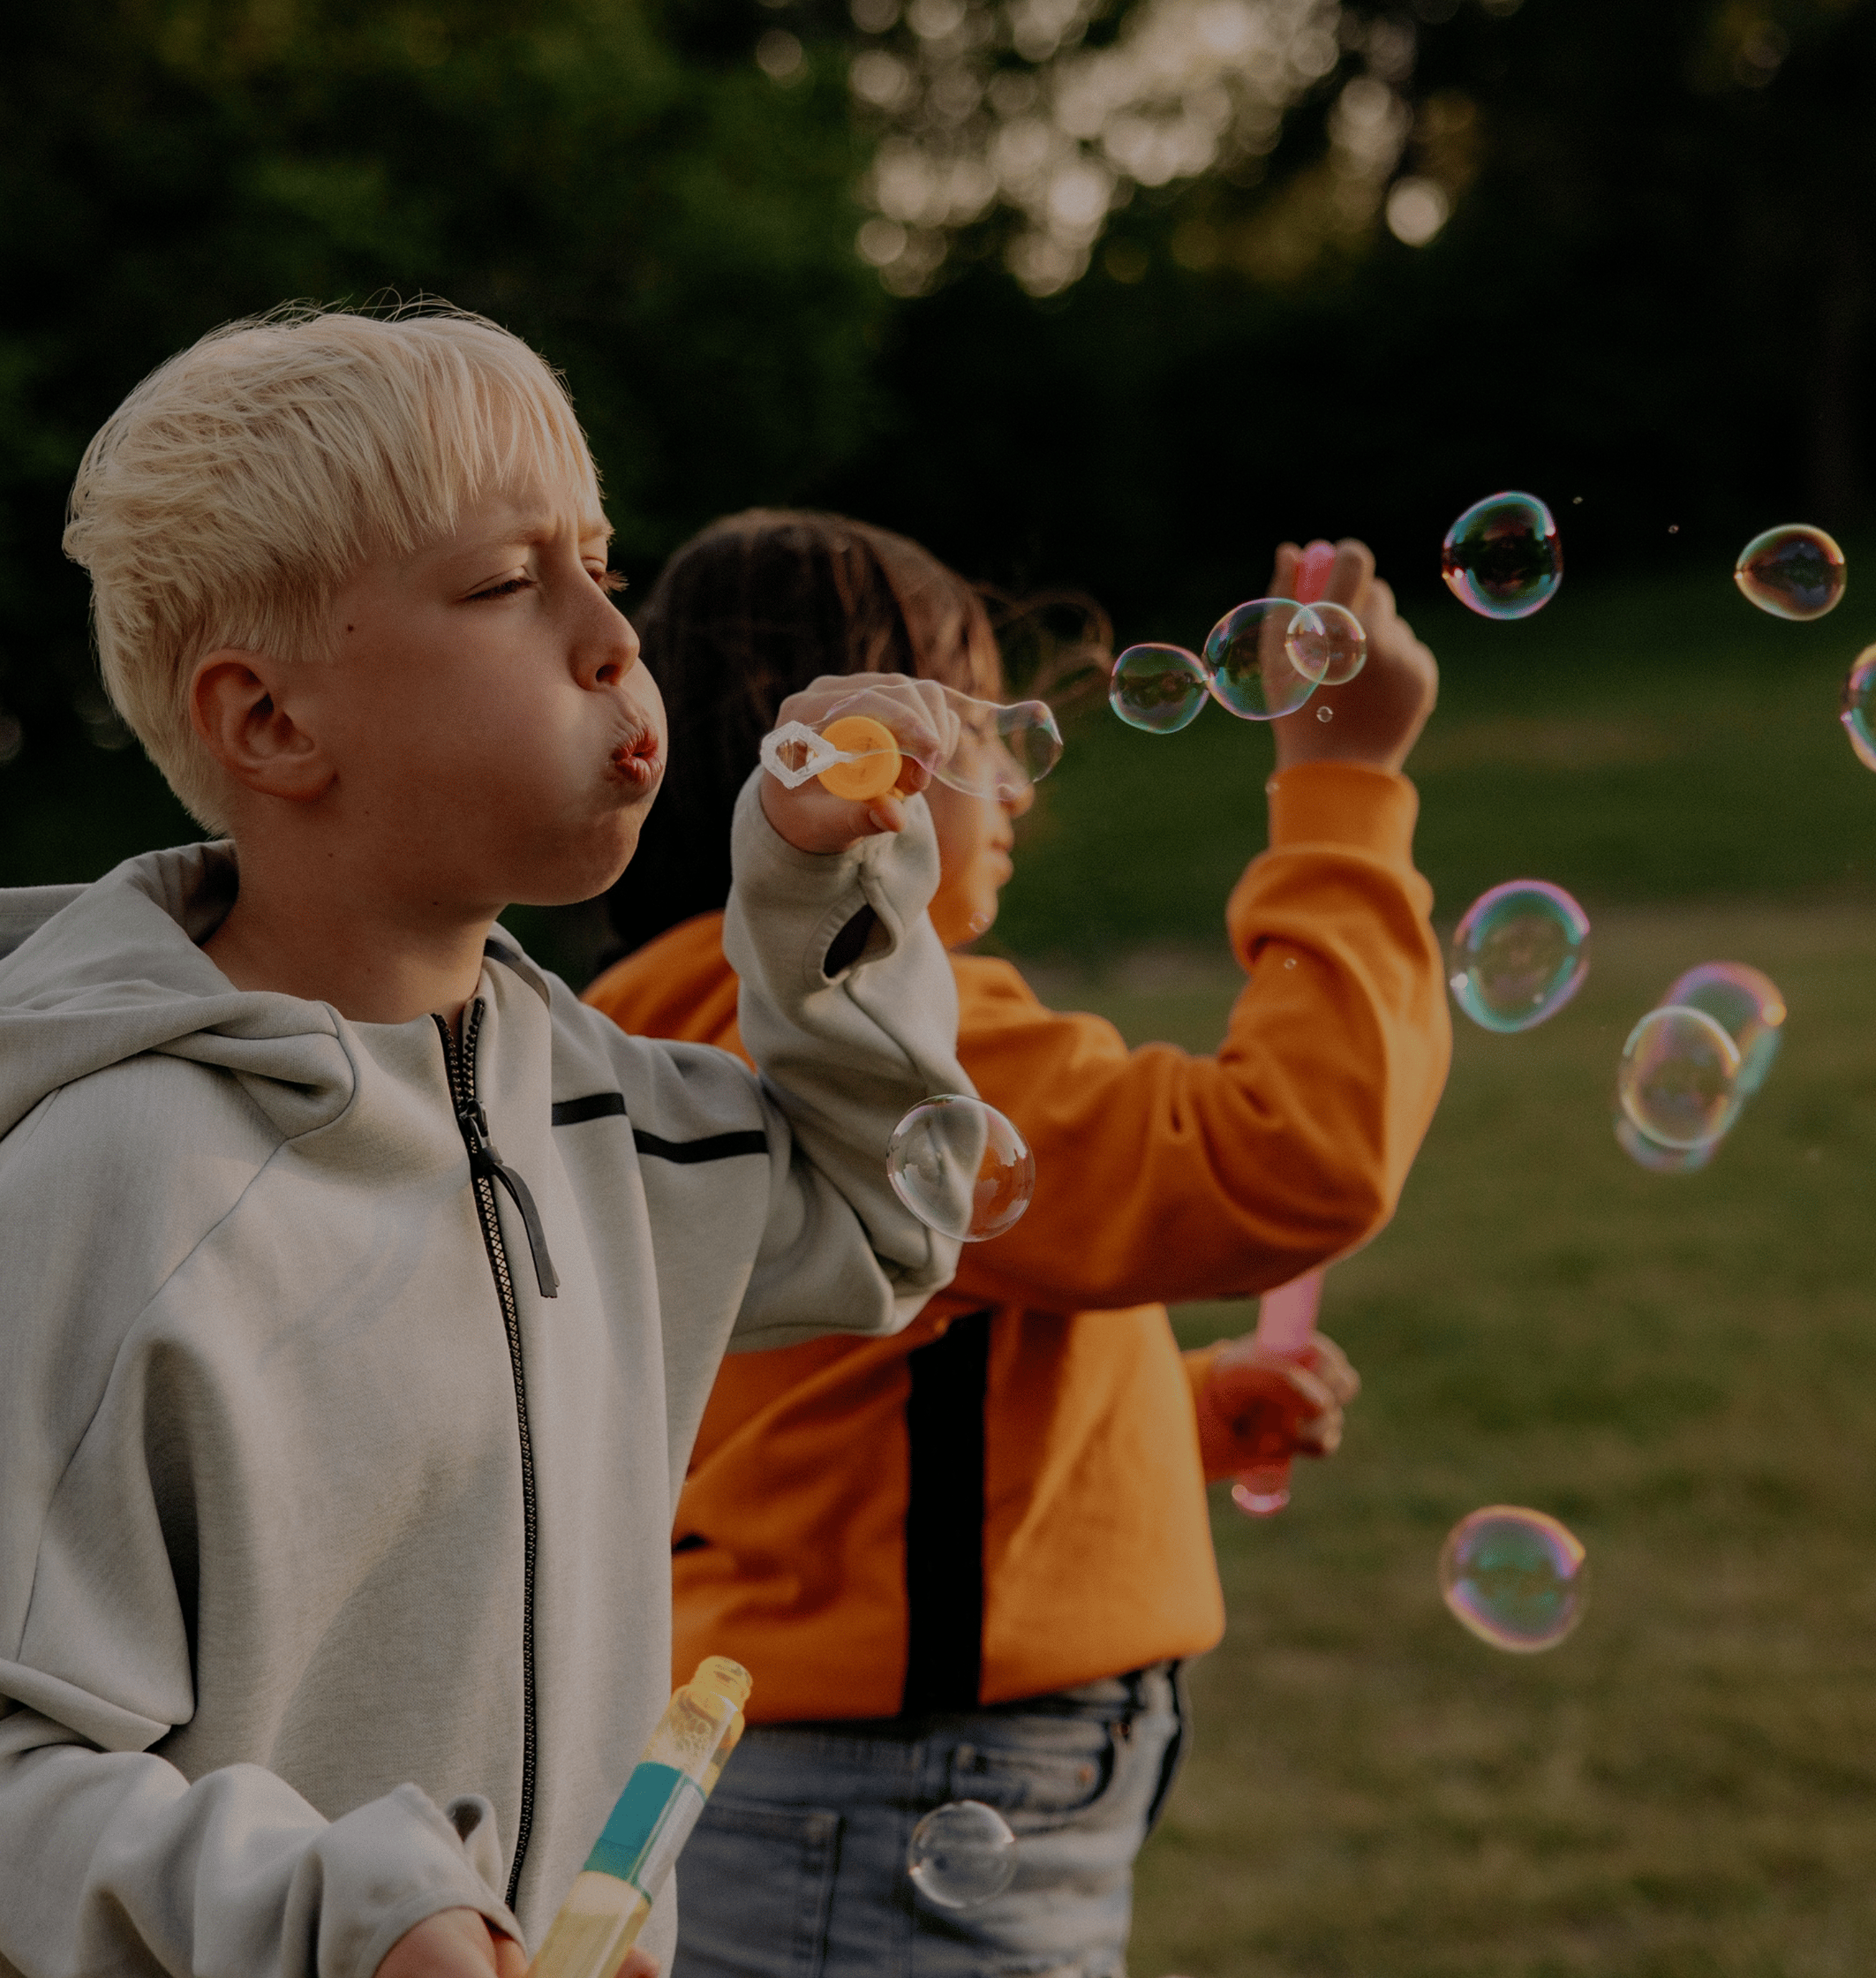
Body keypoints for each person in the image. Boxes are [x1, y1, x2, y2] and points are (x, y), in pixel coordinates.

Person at [0, 311, 989, 1978]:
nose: (608, 639)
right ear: (271, 724)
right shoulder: (114, 1182)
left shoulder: (581, 1103)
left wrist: (817, 893)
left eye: (601, 564)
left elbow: (883, 1214)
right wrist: (344, 1918)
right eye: (508, 586)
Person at [581, 510, 1452, 1978]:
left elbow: (822, 1426)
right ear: (865, 774)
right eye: (976, 725)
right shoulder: (894, 1041)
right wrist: (1345, 781)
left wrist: (1155, 1423)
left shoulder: (657, 1018)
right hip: (909, 1786)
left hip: (803, 1775)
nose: (1017, 783)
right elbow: (1293, 1159)